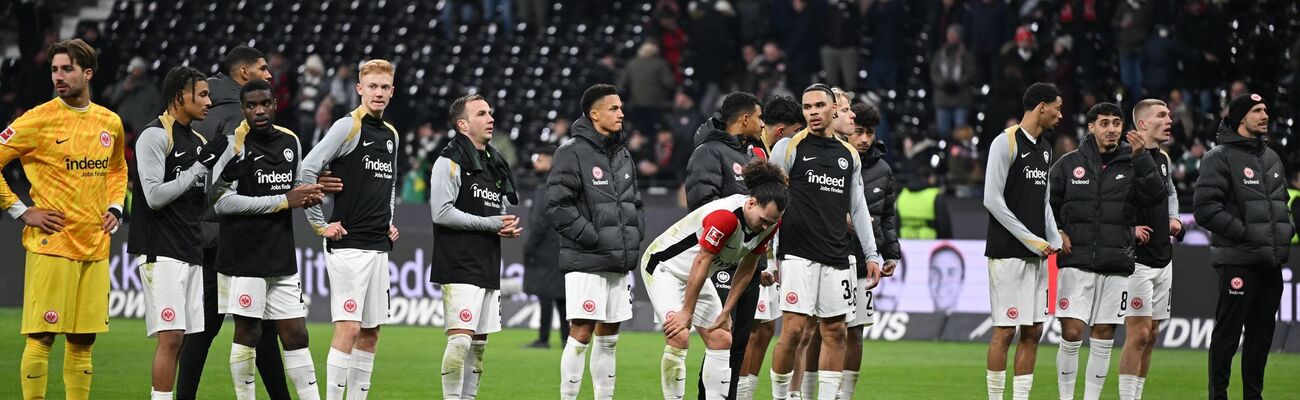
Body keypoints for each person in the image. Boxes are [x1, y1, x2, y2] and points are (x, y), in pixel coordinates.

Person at [1, 38, 127, 400]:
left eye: (66, 69)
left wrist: (116, 206)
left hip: (95, 245)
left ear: (87, 73)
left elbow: (118, 169)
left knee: (82, 341)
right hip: (52, 244)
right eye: (55, 69)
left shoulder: (109, 121)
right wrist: (22, 210)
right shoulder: (37, 120)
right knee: (42, 337)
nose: (58, 76)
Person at [179, 45, 289, 400]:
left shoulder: (196, 110)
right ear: (244, 75)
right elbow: (234, 183)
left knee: (203, 329)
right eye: (262, 68)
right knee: (262, 330)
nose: (269, 76)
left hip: (197, 234)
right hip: (234, 238)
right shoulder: (237, 120)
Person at [210, 79, 329, 400]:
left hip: (281, 254)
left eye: (265, 103)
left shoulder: (290, 142)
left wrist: (316, 197)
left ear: (275, 104)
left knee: (296, 334)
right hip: (244, 256)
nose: (259, 111)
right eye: (252, 106)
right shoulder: (232, 145)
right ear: (243, 109)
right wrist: (281, 200)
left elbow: (298, 190)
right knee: (248, 331)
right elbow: (220, 201)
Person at [767, 84, 883, 400]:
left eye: (819, 105)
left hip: (837, 255)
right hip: (797, 254)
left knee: (836, 332)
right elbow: (771, 204)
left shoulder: (849, 156)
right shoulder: (789, 148)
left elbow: (857, 206)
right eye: (807, 107)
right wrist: (770, 255)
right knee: (792, 331)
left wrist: (872, 253)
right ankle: (780, 396)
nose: (813, 112)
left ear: (835, 109)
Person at [1048, 102, 1166, 400]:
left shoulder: (1134, 161)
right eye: (1104, 123)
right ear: (1091, 127)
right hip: (1075, 260)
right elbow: (1047, 205)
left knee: (1103, 336)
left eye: (1116, 123)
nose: (1111, 128)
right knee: (1072, 333)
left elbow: (1154, 198)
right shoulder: (1067, 163)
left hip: (1116, 262)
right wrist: (1057, 231)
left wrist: (1142, 159)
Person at [299, 59, 401, 400]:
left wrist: (388, 221)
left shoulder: (391, 135)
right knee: (349, 327)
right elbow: (307, 170)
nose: (379, 93)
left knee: (371, 332)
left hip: (377, 246)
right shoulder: (347, 127)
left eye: (385, 87)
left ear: (392, 91)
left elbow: (388, 186)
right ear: (360, 89)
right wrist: (320, 224)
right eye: (372, 86)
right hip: (348, 245)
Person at [645, 161, 787, 400]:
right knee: (679, 334)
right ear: (751, 202)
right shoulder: (725, 217)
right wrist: (686, 312)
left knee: (722, 338)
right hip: (664, 268)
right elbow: (701, 261)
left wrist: (727, 309)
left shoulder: (769, 223)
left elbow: (748, 265)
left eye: (771, 222)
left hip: (698, 276)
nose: (766, 226)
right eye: (764, 219)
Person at [129, 66, 228, 400]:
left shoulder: (198, 140)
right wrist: (201, 166)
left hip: (190, 250)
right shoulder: (155, 136)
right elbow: (154, 196)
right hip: (161, 250)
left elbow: (201, 203)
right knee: (170, 338)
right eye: (201, 94)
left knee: (182, 338)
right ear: (178, 97)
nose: (209, 102)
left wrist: (227, 178)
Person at [547, 84, 644, 400]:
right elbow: (558, 206)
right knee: (581, 334)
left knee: (610, 337)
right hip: (587, 259)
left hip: (617, 261)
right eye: (614, 108)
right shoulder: (570, 152)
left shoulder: (623, 153)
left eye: (621, 108)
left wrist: (634, 235)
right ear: (594, 114)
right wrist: (596, 238)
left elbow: (635, 203)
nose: (621, 113)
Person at [1194, 93, 1290, 400]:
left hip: (1270, 262)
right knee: (1228, 334)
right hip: (1238, 260)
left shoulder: (1272, 157)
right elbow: (1205, 209)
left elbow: (1281, 205)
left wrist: (1283, 233)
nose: (1265, 115)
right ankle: (1218, 396)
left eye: (1266, 109)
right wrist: (1244, 233)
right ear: (1240, 119)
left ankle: (1253, 396)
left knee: (1261, 338)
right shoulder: (1218, 157)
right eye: (1257, 111)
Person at [430, 94, 521, 400]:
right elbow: (441, 213)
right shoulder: (449, 161)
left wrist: (503, 225)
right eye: (482, 113)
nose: (490, 118)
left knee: (478, 348)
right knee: (460, 343)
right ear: (463, 124)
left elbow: (495, 210)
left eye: (490, 113)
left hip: (487, 261)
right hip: (458, 261)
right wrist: (492, 224)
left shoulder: (494, 162)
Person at [982, 82, 1064, 400]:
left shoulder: (1045, 148)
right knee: (1005, 331)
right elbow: (992, 199)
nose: (1060, 114)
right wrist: (1032, 240)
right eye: (1057, 107)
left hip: (1037, 255)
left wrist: (1053, 236)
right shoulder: (1005, 142)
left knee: (1033, 331)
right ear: (1041, 106)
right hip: (1008, 255)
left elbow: (1042, 201)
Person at [684, 91, 767, 399]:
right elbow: (701, 208)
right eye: (759, 117)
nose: (762, 123)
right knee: (722, 339)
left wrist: (763, 261)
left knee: (740, 343)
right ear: (744, 119)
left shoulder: (754, 155)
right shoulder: (709, 152)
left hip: (750, 263)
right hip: (722, 263)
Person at [1118, 99, 1182, 400]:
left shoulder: (1164, 158)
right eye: (1161, 115)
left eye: (1168, 114)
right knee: (1139, 333)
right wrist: (1128, 230)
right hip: (1136, 261)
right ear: (1142, 124)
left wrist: (1174, 217)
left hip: (1162, 257)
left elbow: (1169, 191)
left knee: (1153, 334)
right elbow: (1109, 203)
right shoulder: (1125, 158)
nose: (1169, 119)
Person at [840, 101, 900, 400]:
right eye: (859, 131)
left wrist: (891, 254)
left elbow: (888, 215)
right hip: (832, 257)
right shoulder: (833, 161)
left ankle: (845, 395)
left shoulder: (883, 169)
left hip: (865, 262)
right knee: (822, 331)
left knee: (856, 331)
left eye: (870, 132)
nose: (864, 139)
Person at [524, 145, 568, 349]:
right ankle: (567, 338)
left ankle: (544, 338)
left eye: (540, 158)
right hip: (561, 247)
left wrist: (529, 248)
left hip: (545, 250)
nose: (535, 163)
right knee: (561, 296)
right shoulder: (565, 184)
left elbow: (539, 222)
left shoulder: (544, 188)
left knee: (546, 295)